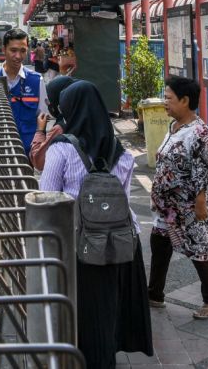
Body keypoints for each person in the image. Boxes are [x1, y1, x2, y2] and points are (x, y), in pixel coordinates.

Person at [40, 81, 153, 368]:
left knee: (88, 314)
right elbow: (123, 202)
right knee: (110, 310)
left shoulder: (61, 150)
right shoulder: (122, 152)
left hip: (81, 247)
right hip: (122, 244)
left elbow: (47, 200)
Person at [148, 76, 208, 319]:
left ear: (185, 100)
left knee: (199, 251)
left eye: (169, 98)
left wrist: (200, 202)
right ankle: (154, 294)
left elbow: (205, 170)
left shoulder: (200, 133)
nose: (165, 102)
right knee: (159, 245)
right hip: (168, 209)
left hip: (189, 207)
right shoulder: (175, 127)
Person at [0, 28, 48, 155]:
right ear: (3, 49)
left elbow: (42, 116)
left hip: (27, 153)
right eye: (13, 50)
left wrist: (38, 146)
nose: (18, 56)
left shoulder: (36, 80)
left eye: (22, 51)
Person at [29, 75, 77, 171]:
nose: (47, 104)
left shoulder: (61, 127)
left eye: (48, 100)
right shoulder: (93, 118)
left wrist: (40, 130)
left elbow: (39, 161)